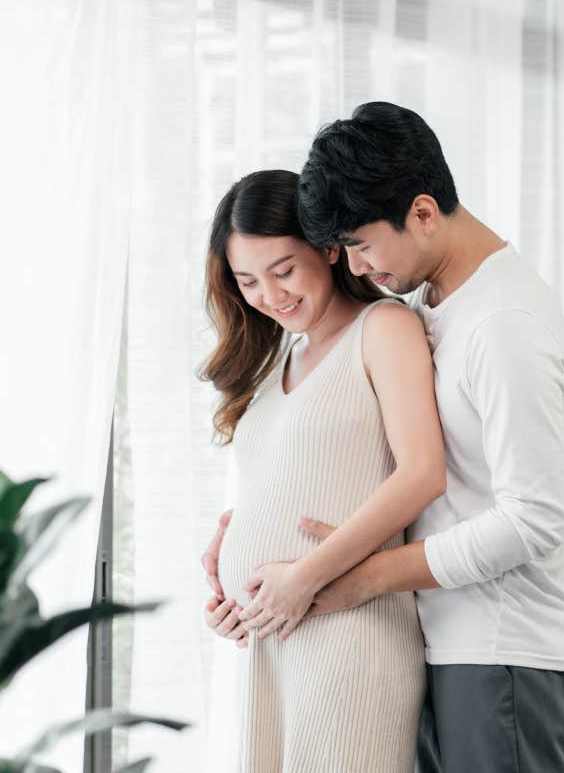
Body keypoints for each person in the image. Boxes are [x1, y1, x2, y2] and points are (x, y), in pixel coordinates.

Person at [204, 103, 564, 773]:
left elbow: (534, 520)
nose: (352, 265)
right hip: (443, 637)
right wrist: (241, 535)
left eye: (358, 244)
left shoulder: (502, 324)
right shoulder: (434, 304)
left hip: (502, 648)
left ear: (421, 212)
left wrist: (356, 580)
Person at [199, 168, 446, 773]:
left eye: (283, 270)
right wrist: (231, 559)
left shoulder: (384, 329)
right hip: (274, 636)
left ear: (329, 248)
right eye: (248, 280)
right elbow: (290, 476)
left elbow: (421, 474)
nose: (269, 294)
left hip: (350, 630)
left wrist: (303, 576)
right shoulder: (285, 354)